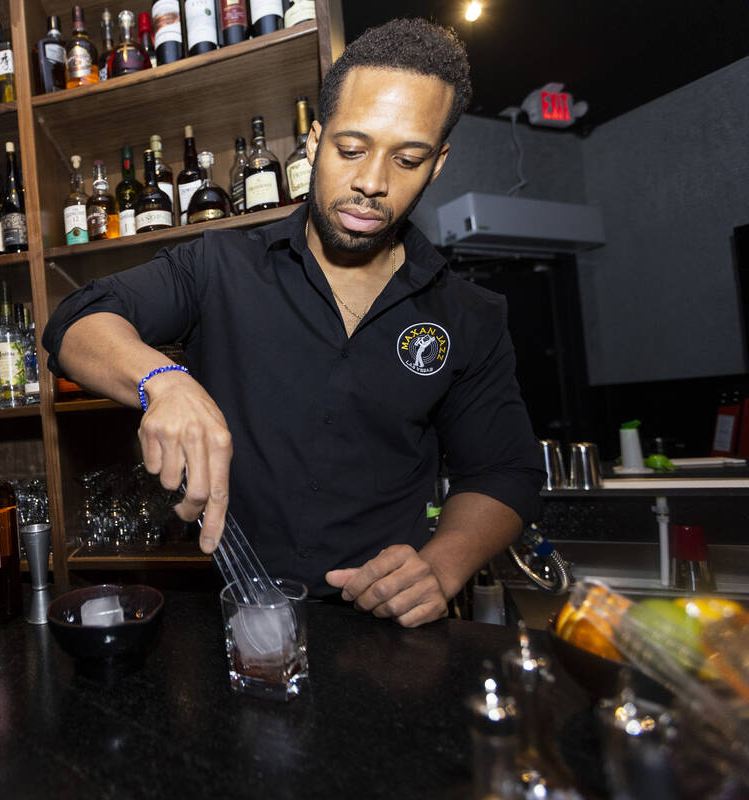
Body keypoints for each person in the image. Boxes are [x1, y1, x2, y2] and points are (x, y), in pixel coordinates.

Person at [43, 18, 545, 627]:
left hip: (382, 630)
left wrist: (443, 564)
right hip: (227, 616)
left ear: (437, 165)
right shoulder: (218, 265)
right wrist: (163, 380)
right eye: (351, 149)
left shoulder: (470, 314)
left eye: (407, 159)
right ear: (313, 142)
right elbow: (76, 320)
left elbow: (504, 470)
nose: (371, 183)